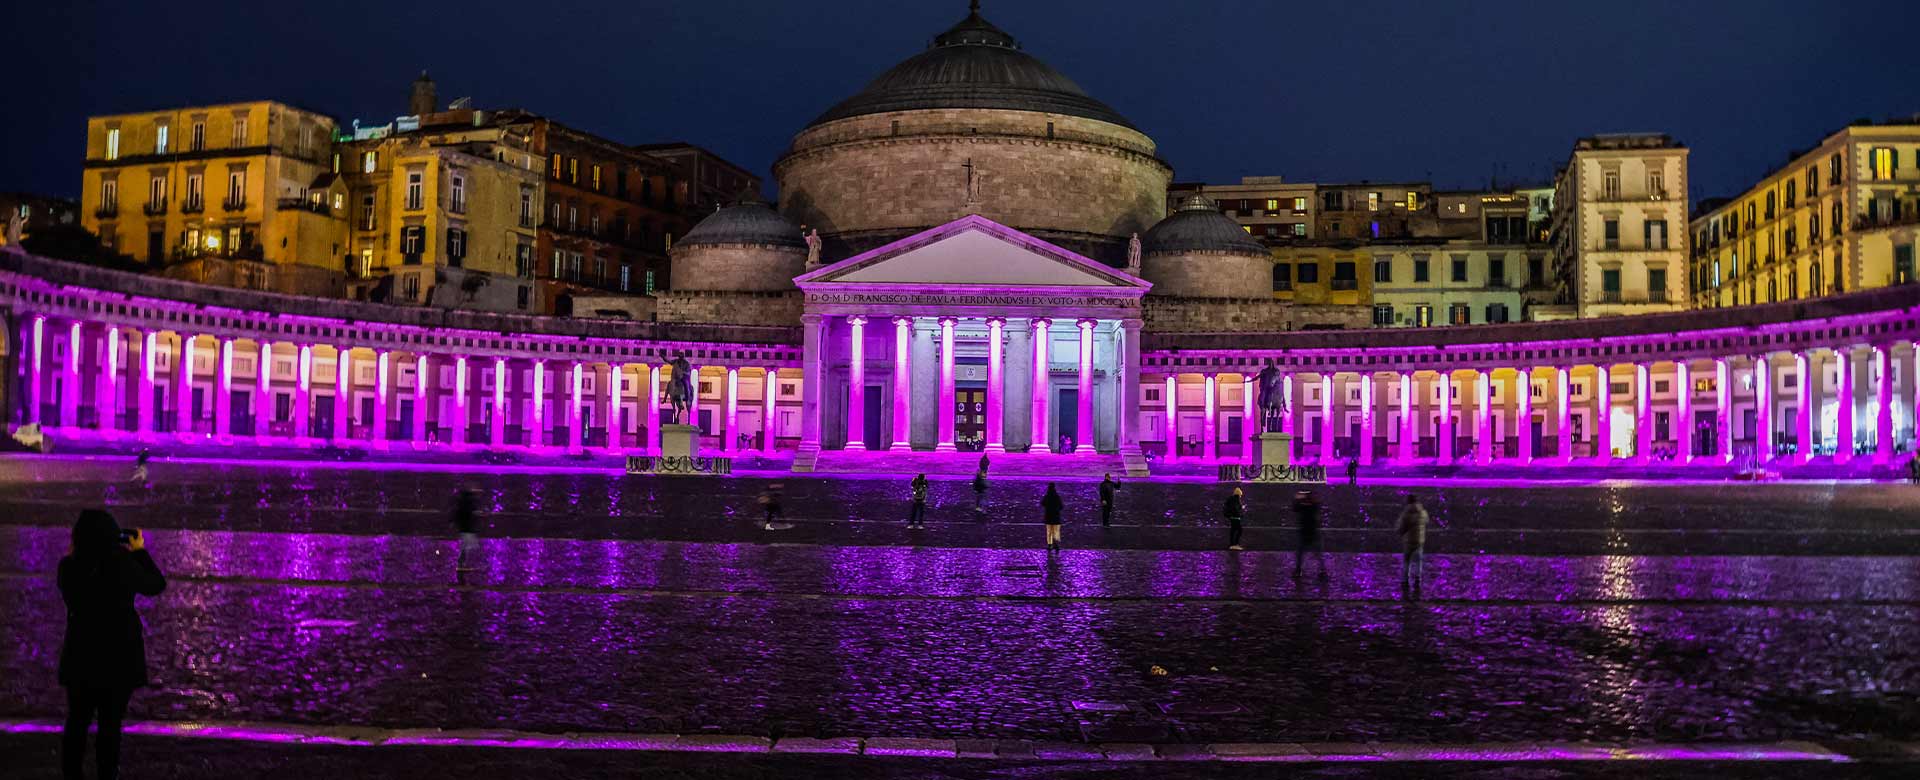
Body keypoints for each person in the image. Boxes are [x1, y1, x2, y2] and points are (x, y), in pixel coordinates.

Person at [60, 509, 166, 780]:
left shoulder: (68, 567)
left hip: (81, 654)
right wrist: (139, 551)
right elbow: (156, 584)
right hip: (118, 657)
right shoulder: (122, 563)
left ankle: (71, 774)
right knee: (110, 724)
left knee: (77, 721)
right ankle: (107, 774)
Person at [1397, 494, 1430, 596]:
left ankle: (1405, 579)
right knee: (1418, 561)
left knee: (1407, 561)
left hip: (1409, 541)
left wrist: (1400, 532)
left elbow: (1401, 527)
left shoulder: (1406, 514)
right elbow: (1427, 521)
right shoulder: (1423, 513)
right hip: (1420, 540)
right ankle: (1417, 579)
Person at [1291, 490, 1326, 579]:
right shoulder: (1311, 506)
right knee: (1316, 554)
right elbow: (1295, 508)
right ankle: (1322, 571)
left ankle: (1299, 570)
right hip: (1311, 533)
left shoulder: (1309, 507)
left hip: (1307, 533)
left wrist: (1298, 499)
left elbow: (1295, 508)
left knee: (1302, 553)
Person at [451, 488, 479, 571]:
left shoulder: (462, 505)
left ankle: (462, 563)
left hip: (464, 528)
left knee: (465, 546)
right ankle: (461, 564)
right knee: (466, 547)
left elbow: (457, 515)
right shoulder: (467, 506)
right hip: (467, 529)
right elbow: (468, 516)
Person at [1041, 483, 1065, 551]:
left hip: (1048, 516)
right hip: (1056, 517)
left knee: (1049, 531)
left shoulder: (1047, 496)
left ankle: (1049, 544)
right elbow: (1061, 506)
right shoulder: (1057, 496)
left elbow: (1042, 503)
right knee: (1056, 531)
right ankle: (1056, 544)